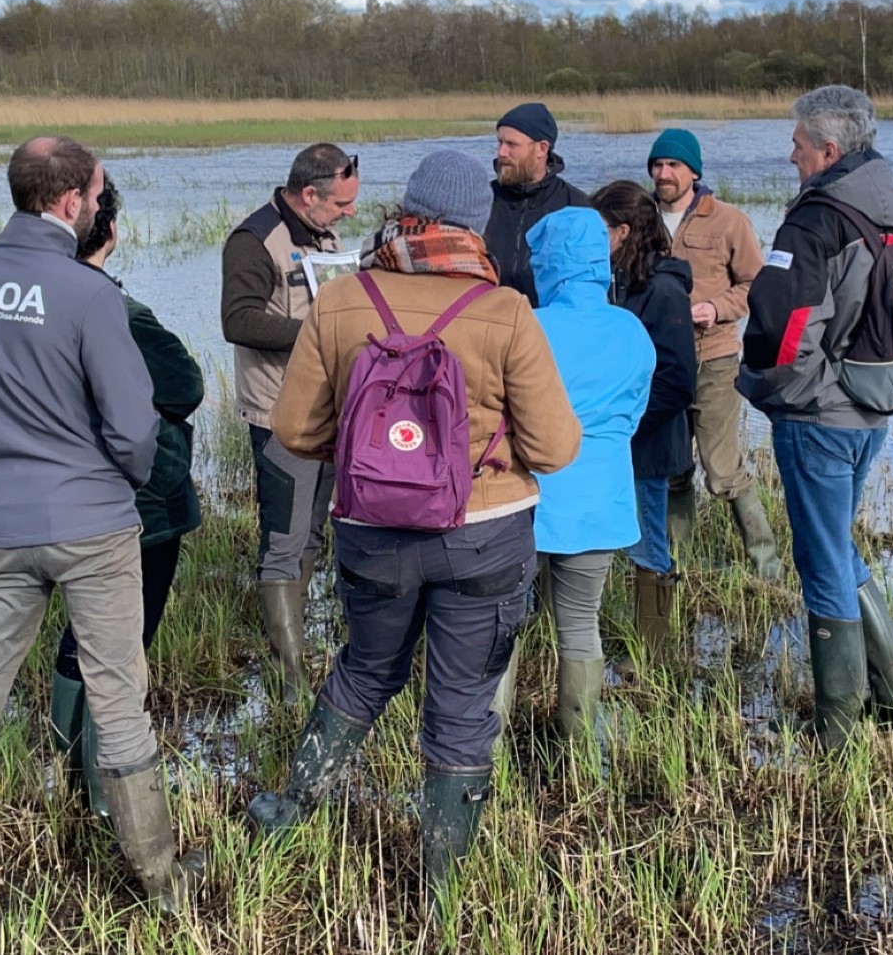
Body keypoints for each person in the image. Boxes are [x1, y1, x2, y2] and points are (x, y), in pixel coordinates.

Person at [249, 149, 581, 894]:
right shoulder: (506, 312)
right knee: (461, 706)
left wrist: (378, 448)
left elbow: (293, 431)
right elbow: (556, 449)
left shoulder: (341, 301)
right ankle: (442, 892)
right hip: (485, 537)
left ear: (405, 212)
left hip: (373, 534)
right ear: (476, 226)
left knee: (365, 673)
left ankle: (290, 811)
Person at [0, 136, 203, 910]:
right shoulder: (88, 294)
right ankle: (162, 882)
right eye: (99, 196)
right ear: (72, 203)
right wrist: (114, 476)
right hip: (96, 525)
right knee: (118, 696)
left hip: (1, 523)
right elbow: (135, 428)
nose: (102, 207)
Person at [737, 87, 893, 749]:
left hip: (817, 416)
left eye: (796, 144)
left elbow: (778, 328)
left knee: (822, 560)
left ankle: (836, 731)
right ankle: (892, 700)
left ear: (828, 150)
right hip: (873, 411)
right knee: (841, 548)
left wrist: (766, 390)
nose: (788, 154)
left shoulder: (815, 222)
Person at [50, 177, 205, 818]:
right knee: (121, 645)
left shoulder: (29, 302)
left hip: (58, 500)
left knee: (77, 635)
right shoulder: (119, 310)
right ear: (109, 234)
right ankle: (105, 796)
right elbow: (184, 385)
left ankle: (66, 766)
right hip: (138, 506)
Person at [493, 206, 651, 742]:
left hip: (525, 499)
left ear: (549, 265)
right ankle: (579, 750)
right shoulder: (631, 330)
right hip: (600, 500)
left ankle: (482, 747)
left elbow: (502, 412)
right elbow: (634, 414)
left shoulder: (526, 324)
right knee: (581, 628)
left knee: (502, 626)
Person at [221, 143, 361, 700]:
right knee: (283, 541)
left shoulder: (322, 234)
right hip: (279, 414)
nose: (350, 212)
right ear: (310, 195)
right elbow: (238, 321)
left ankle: (298, 655)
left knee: (310, 538)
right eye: (343, 203)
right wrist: (318, 332)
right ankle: (290, 682)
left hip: (329, 412)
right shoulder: (254, 241)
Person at [647, 128, 781, 579]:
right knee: (672, 469)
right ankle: (675, 567)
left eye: (673, 166)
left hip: (715, 359)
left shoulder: (728, 220)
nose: (664, 174)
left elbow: (755, 287)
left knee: (722, 470)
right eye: (658, 165)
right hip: (657, 365)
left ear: (694, 172)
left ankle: (766, 567)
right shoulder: (637, 217)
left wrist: (715, 308)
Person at [591, 180, 699, 662]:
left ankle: (655, 656)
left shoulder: (663, 290)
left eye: (601, 230)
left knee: (649, 545)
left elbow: (678, 380)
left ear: (624, 232)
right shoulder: (619, 283)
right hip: (620, 442)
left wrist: (625, 423)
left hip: (649, 445)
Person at [487, 102, 591, 306]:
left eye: (511, 145)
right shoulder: (482, 199)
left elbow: (586, 281)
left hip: (548, 326)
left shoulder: (575, 206)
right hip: (488, 323)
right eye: (499, 143)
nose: (502, 152)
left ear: (542, 149)